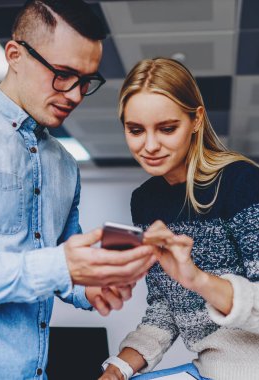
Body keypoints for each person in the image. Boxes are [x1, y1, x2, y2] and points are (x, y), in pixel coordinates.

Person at [0, 1, 157, 378]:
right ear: (15, 55)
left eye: (87, 80)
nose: (75, 94)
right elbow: (57, 263)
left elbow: (65, 265)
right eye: (63, 74)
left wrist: (98, 284)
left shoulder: (65, 164)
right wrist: (62, 265)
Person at [99, 57, 259, 380]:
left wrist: (197, 279)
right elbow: (164, 310)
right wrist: (118, 368)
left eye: (167, 128)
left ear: (196, 120)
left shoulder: (243, 183)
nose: (150, 145)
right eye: (135, 130)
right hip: (204, 371)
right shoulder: (145, 202)